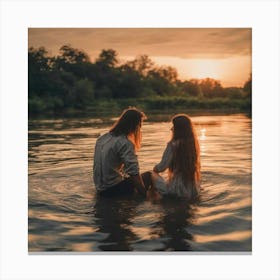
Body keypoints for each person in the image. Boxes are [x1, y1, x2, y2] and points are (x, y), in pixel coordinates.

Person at [93, 107, 152, 197]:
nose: (140, 128)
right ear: (134, 125)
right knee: (149, 175)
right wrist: (145, 195)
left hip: (99, 189)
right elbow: (134, 173)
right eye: (140, 125)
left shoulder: (102, 138)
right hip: (112, 190)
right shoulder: (125, 142)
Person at [152, 114, 201, 200]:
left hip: (175, 190)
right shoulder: (193, 144)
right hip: (192, 190)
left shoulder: (173, 145)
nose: (171, 129)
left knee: (150, 174)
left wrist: (154, 170)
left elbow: (161, 167)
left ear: (179, 129)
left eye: (173, 126)